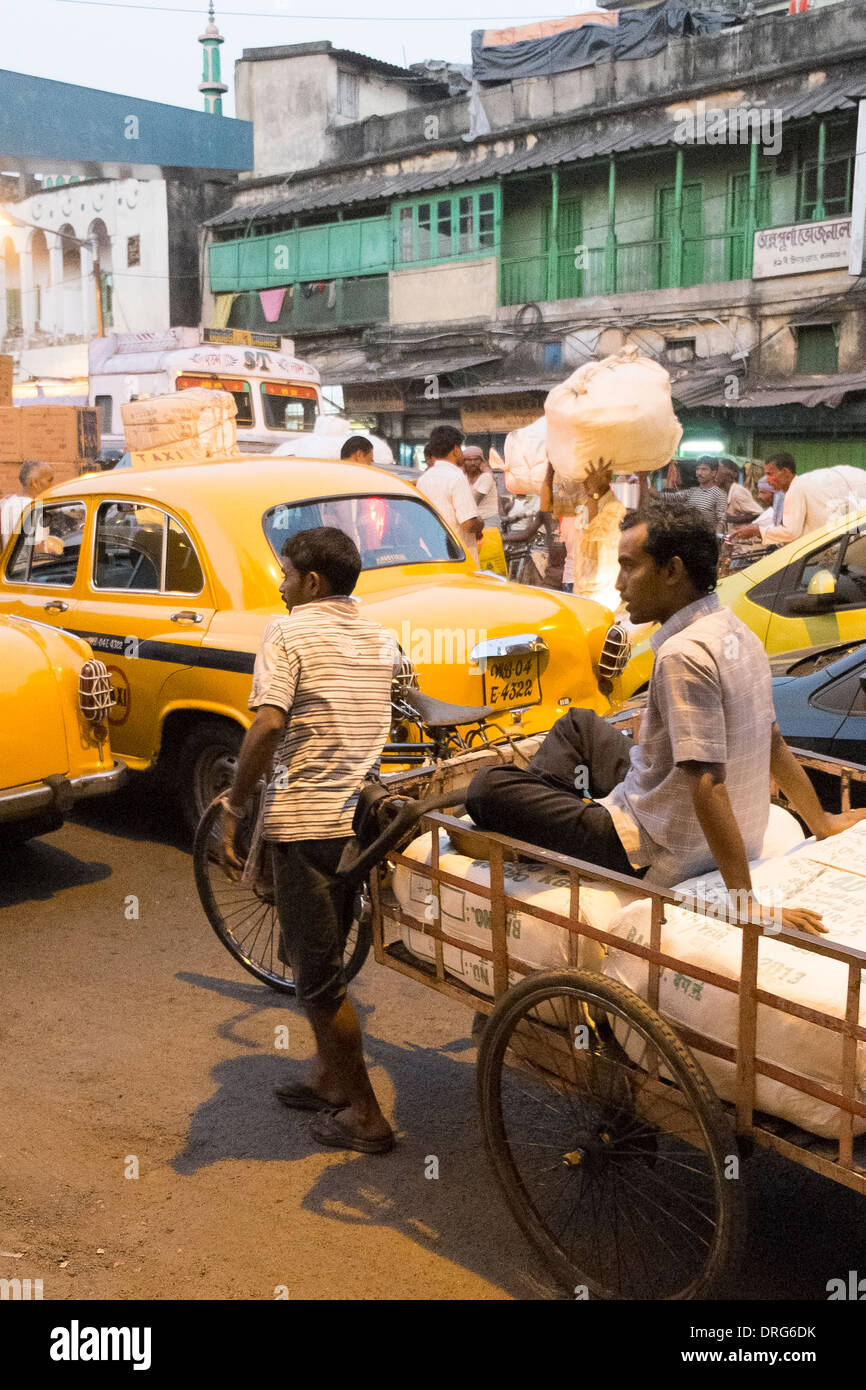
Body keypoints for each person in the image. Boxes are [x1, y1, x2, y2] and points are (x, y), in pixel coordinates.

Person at [466, 502, 866, 930]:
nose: (620, 585)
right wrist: (821, 822)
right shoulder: (736, 632)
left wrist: (745, 903)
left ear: (672, 571)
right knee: (578, 724)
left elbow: (708, 786)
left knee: (487, 787)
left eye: (629, 567)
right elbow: (774, 744)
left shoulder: (683, 655)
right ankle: (552, 817)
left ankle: (542, 824)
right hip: (668, 810)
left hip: (653, 844)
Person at [220, 527, 396, 1154]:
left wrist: (236, 804)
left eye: (287, 573)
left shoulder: (287, 632)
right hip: (359, 822)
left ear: (312, 583)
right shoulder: (381, 637)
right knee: (318, 959)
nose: (280, 583)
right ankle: (328, 1078)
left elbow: (269, 724)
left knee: (319, 982)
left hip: (307, 822)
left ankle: (366, 1116)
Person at [731, 455, 866, 547]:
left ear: (785, 472)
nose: (767, 480)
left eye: (770, 474)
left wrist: (757, 531)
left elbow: (790, 532)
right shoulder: (803, 484)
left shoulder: (796, 488)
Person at [558, 459, 626, 608]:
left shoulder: (614, 507)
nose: (585, 480)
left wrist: (593, 494)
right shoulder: (586, 503)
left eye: (591, 476)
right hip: (580, 583)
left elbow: (591, 530)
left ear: (606, 478)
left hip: (601, 590)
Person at [416, 425, 484, 564]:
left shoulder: (424, 479)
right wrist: (480, 524)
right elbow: (468, 524)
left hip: (432, 553)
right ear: (456, 450)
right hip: (458, 555)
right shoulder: (456, 477)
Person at [1, 460, 55, 547]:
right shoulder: (34, 508)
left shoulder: (7, 502)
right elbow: (37, 549)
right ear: (35, 482)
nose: (52, 485)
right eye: (49, 480)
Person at [461, 445, 501, 530]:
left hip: (488, 521)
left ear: (481, 461)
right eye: (469, 460)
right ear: (463, 461)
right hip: (471, 521)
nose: (473, 463)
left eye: (476, 459)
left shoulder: (486, 477)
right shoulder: (462, 478)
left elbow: (474, 502)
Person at [684, 457, 728, 534]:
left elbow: (722, 520)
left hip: (707, 539)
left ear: (713, 473)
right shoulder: (691, 492)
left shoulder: (720, 494)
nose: (699, 473)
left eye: (704, 469)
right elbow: (667, 496)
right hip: (689, 537)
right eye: (697, 469)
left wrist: (717, 538)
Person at [716, 459, 762, 525]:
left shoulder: (737, 492)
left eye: (717, 474)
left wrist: (730, 519)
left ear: (728, 476)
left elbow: (759, 514)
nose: (714, 477)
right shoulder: (725, 492)